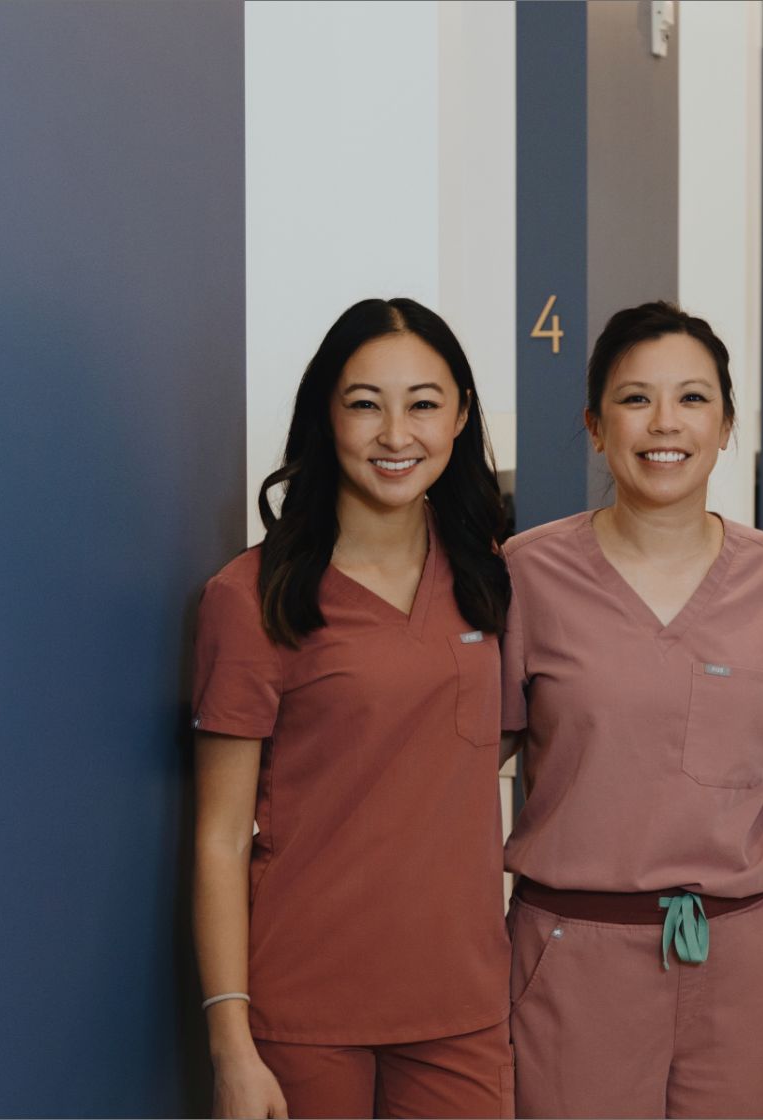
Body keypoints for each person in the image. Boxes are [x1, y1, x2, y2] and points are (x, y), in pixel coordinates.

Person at [498, 301, 763, 1118]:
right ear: (594, 424)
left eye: (692, 398)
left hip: (742, 956)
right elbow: (471, 755)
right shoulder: (527, 574)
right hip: (572, 953)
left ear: (726, 425)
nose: (665, 423)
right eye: (634, 398)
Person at [190, 298, 515, 1119]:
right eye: (365, 403)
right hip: (303, 1011)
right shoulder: (252, 597)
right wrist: (232, 1046)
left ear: (462, 415)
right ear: (324, 417)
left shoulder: (496, 580)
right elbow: (220, 837)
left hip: (463, 1005)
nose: (395, 434)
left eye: (424, 404)